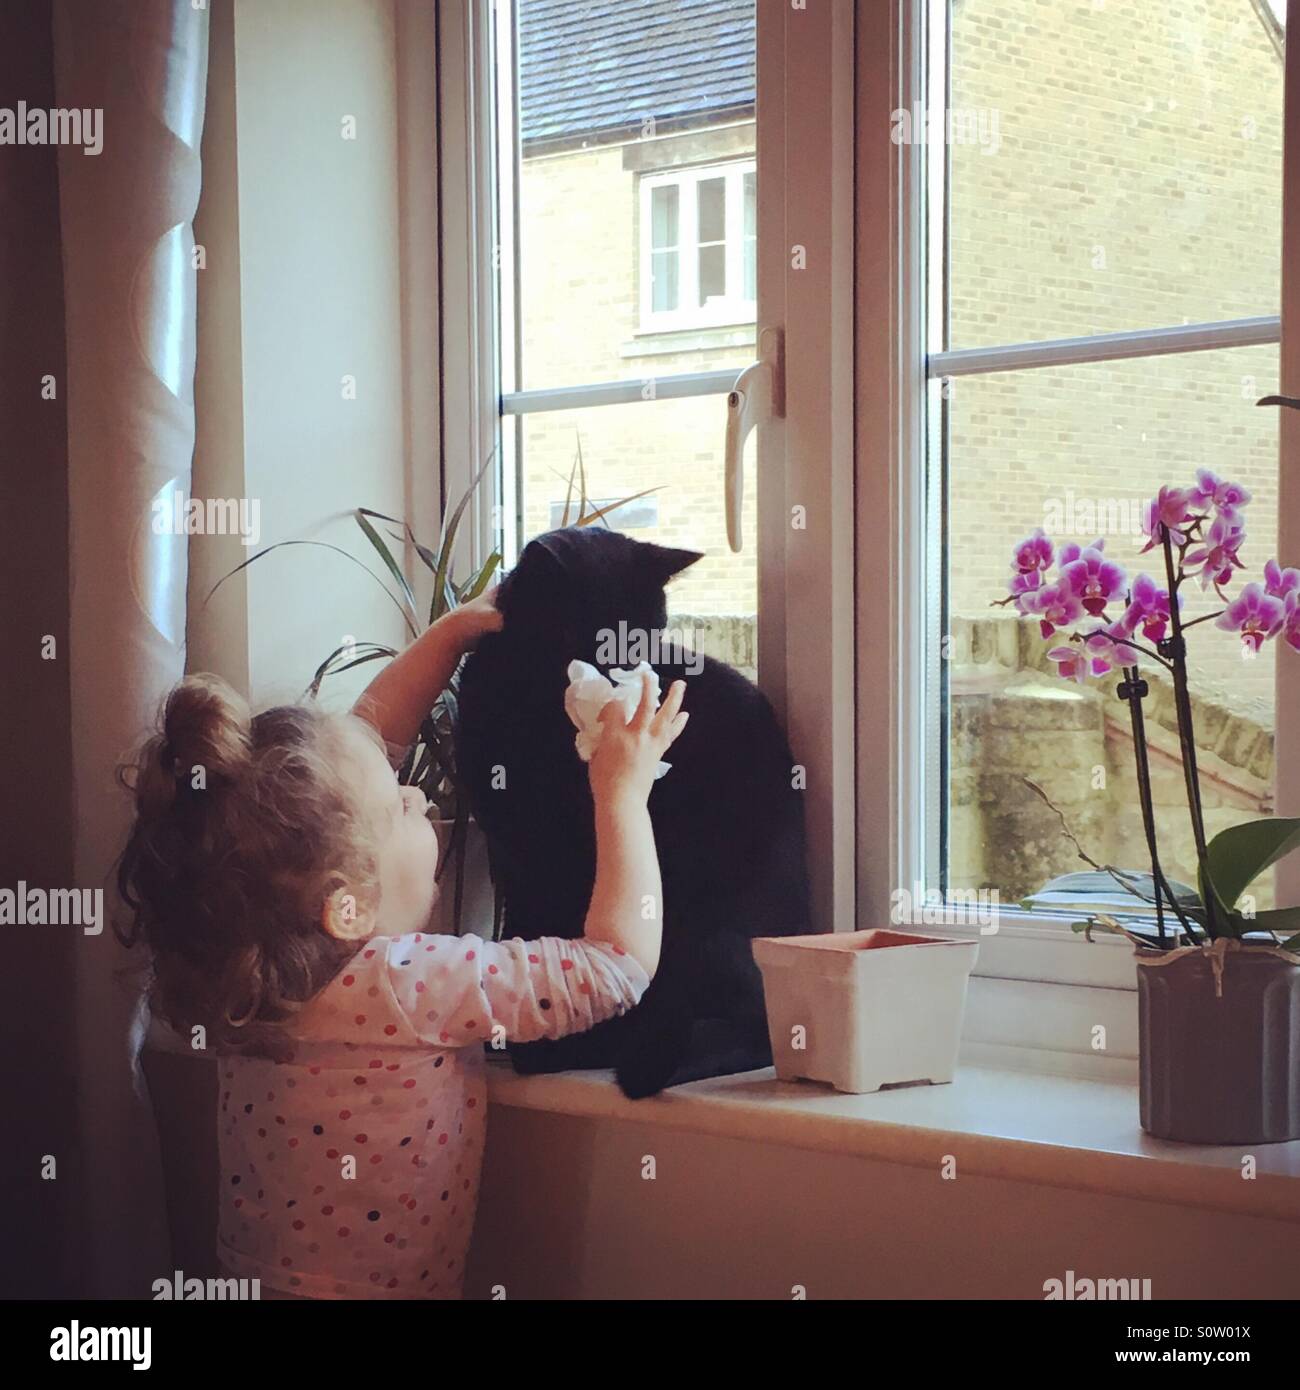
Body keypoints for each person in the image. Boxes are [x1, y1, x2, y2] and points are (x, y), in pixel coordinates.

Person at [117, 593, 688, 1298]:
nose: (418, 798)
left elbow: (362, 739)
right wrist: (622, 794)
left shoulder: (247, 969)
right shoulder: (410, 985)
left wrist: (448, 636)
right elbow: (615, 967)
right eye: (401, 805)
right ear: (346, 908)